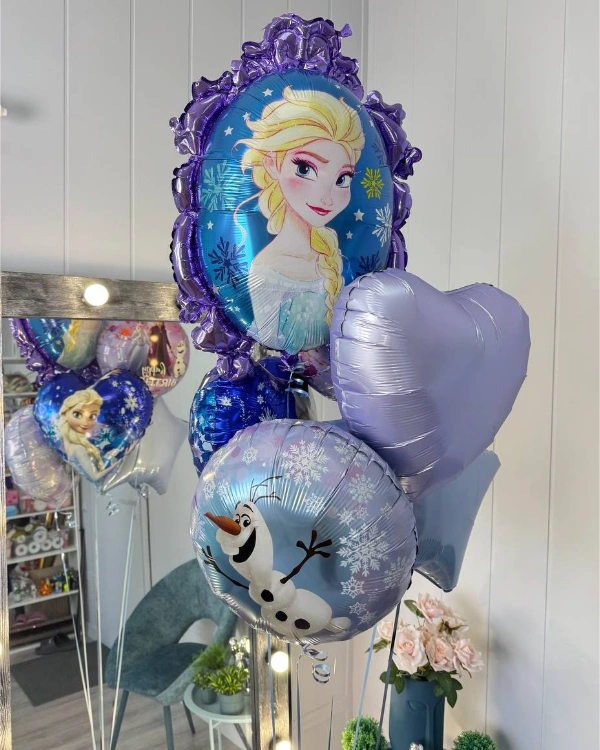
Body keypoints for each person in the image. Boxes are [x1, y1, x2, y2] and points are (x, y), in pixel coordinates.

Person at [235, 86, 365, 353]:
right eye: (305, 169)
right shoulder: (267, 271)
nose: (326, 198)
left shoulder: (330, 256)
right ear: (272, 164)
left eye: (342, 179)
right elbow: (270, 353)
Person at [58, 389, 111, 481]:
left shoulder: (71, 444)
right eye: (77, 414)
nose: (85, 423)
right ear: (64, 414)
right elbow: (95, 477)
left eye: (92, 416)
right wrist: (122, 460)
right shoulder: (78, 449)